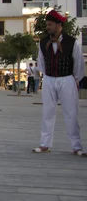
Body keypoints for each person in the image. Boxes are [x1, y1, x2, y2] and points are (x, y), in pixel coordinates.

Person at [33, 10, 86, 156]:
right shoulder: (44, 42)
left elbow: (79, 64)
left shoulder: (72, 42)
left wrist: (74, 79)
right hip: (49, 79)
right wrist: (47, 76)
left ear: (59, 25)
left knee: (71, 113)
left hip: (67, 78)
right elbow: (41, 62)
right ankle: (45, 143)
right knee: (47, 112)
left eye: (50, 24)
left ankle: (76, 146)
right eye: (47, 24)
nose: (48, 27)